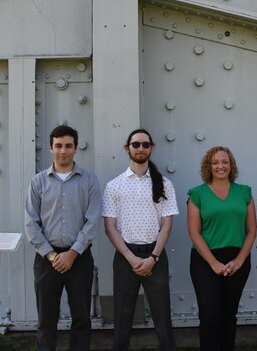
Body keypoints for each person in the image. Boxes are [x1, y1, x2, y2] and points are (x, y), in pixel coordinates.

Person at [24, 125, 101, 351]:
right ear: (50, 148)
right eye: (58, 146)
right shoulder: (38, 182)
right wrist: (51, 255)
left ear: (76, 148)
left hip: (80, 259)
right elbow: (31, 223)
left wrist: (73, 253)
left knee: (81, 319)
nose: (63, 151)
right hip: (46, 260)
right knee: (46, 321)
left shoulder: (89, 180)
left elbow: (93, 220)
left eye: (68, 146)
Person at [102, 128, 179, 351]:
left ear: (151, 148)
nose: (141, 148)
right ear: (127, 148)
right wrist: (131, 258)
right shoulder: (114, 185)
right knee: (122, 316)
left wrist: (153, 257)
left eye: (145, 144)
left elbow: (167, 225)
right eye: (136, 144)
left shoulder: (164, 184)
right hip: (126, 257)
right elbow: (110, 228)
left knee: (162, 315)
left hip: (155, 256)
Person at [187, 146, 257, 351]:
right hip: (205, 260)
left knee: (228, 315)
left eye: (225, 162)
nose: (220, 166)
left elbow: (252, 230)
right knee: (209, 316)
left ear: (231, 165)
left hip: (237, 259)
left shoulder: (244, 192)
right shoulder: (197, 194)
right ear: (208, 166)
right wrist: (213, 263)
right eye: (215, 162)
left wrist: (240, 260)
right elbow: (194, 233)